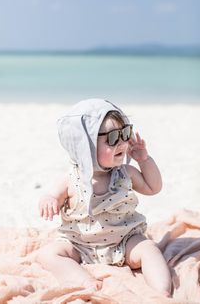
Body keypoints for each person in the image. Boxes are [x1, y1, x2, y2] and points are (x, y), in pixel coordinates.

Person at [38, 98, 171, 296]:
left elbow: (153, 187)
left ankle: (162, 292)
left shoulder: (126, 173)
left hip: (124, 241)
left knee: (149, 249)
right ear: (86, 145)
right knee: (47, 255)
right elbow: (52, 196)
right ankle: (85, 281)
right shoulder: (71, 180)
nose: (123, 143)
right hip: (79, 244)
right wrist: (49, 200)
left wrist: (144, 160)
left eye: (125, 133)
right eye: (113, 137)